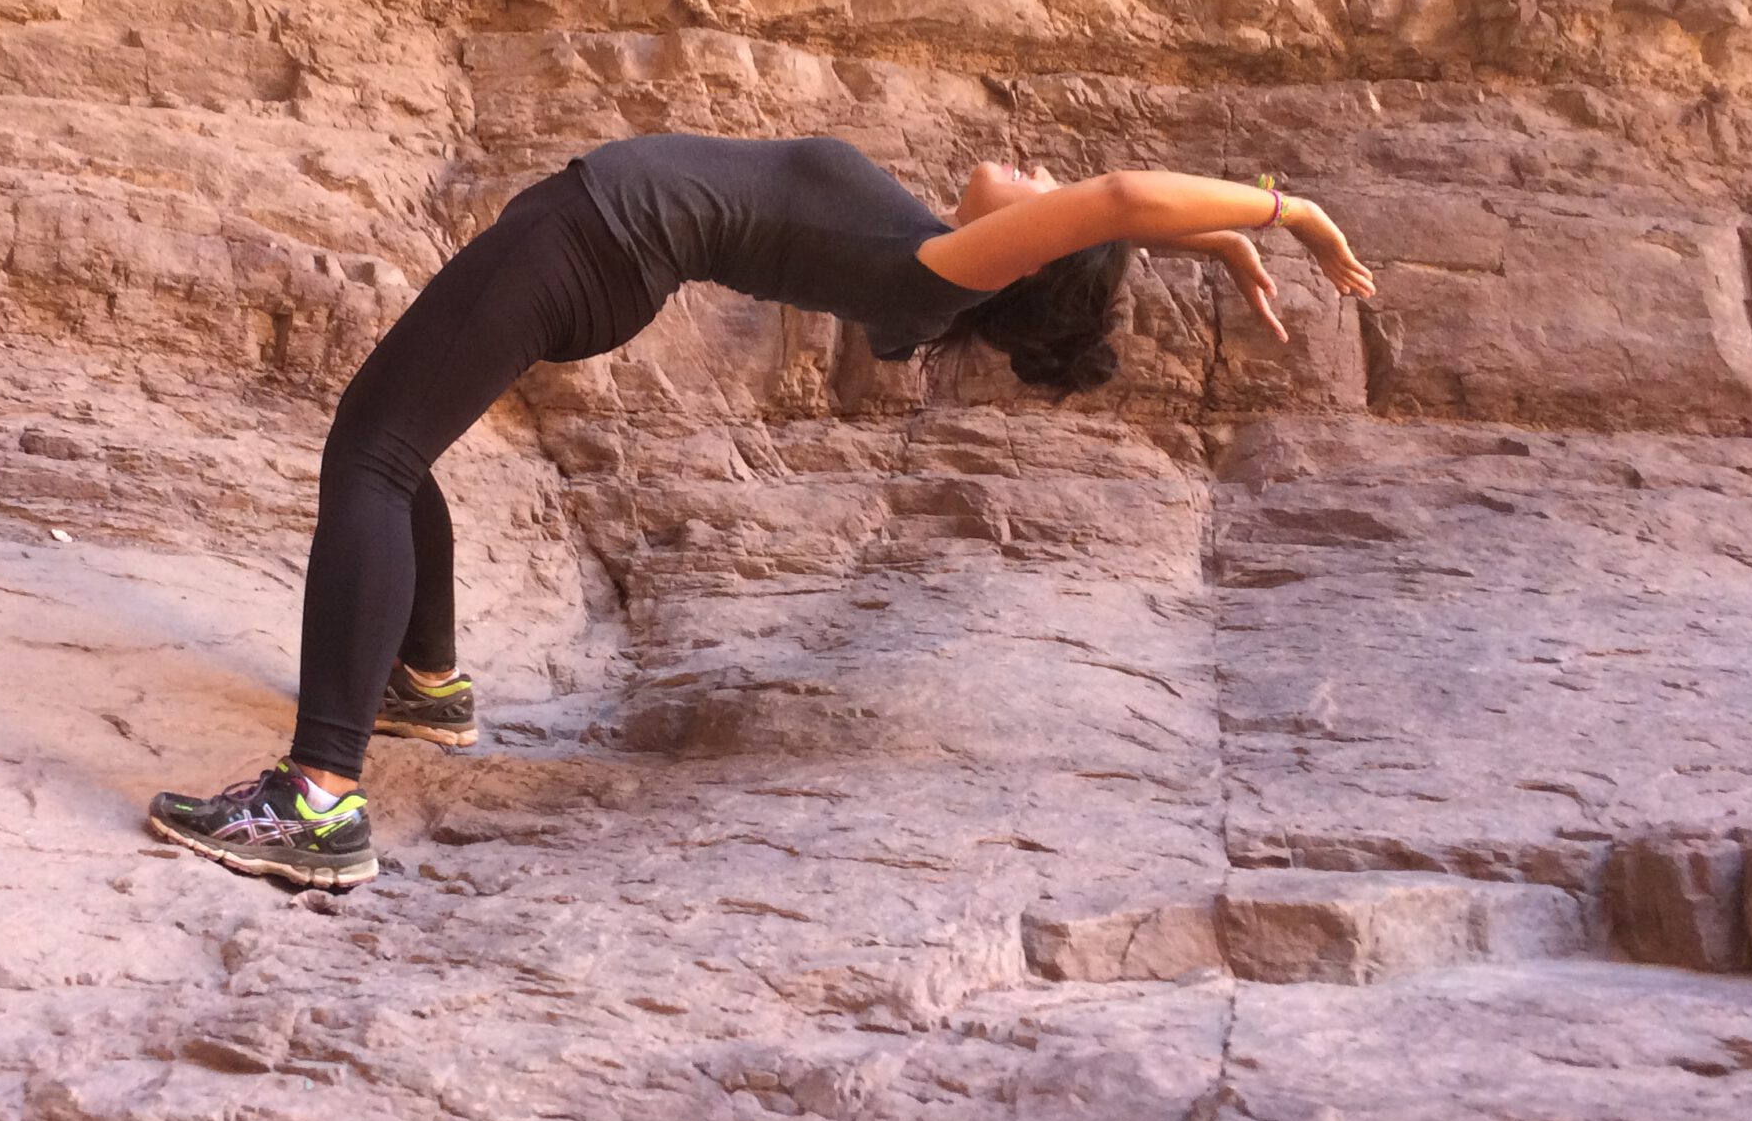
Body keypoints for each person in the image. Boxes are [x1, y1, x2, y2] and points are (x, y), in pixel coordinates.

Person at [145, 133, 1376, 887]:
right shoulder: (931, 251)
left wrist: (1289, 210)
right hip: (591, 242)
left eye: (1044, 195)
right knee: (388, 454)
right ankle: (422, 686)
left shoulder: (935, 274)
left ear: (1028, 255)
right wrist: (1216, 244)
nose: (1039, 171)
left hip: (590, 246)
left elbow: (1111, 200)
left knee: (373, 455)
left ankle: (320, 799)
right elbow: (1115, 220)